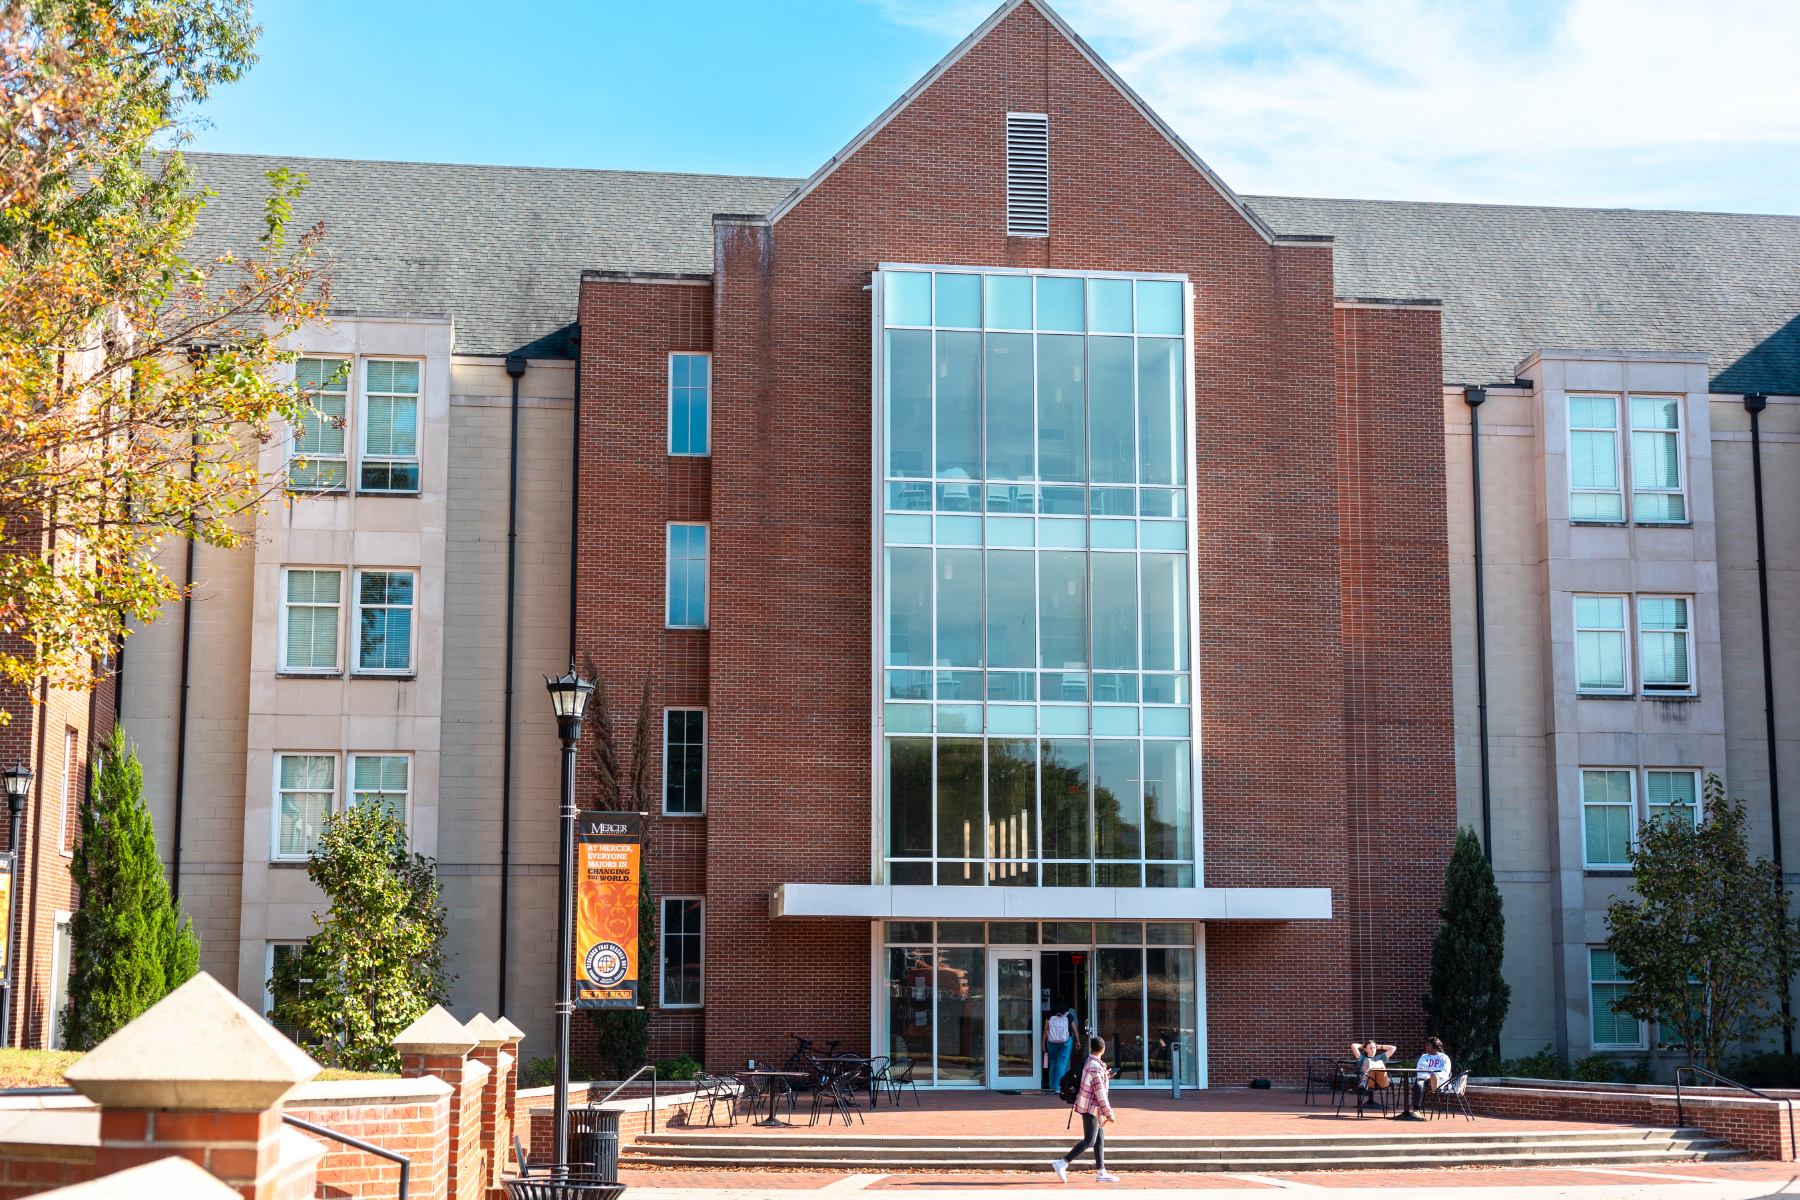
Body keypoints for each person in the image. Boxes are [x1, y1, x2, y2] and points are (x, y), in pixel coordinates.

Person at [1052, 1036, 1119, 1183]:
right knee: (1090, 1140)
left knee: (1099, 1138)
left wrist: (1105, 1075)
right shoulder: (1095, 1066)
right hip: (1091, 1107)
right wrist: (1109, 1113)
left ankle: (1101, 1171)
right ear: (1103, 1049)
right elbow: (1099, 1092)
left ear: (1090, 1048)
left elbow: (1094, 1081)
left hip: (1091, 1107)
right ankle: (1062, 1163)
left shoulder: (1090, 1062)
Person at [1349, 1039, 1396, 1116]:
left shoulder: (1381, 1057)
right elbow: (1353, 1046)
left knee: (1380, 1062)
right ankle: (1369, 1068)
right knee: (1372, 1061)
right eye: (1370, 1048)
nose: (1373, 1050)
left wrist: (1379, 1047)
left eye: (1374, 1048)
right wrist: (1363, 1046)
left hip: (1381, 1082)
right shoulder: (1362, 1058)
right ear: (1365, 1049)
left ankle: (1370, 1066)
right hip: (1369, 1083)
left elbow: (1393, 1048)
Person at [1044, 1005, 1078, 1095]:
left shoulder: (1049, 1016)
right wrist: (1077, 1041)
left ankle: (1052, 1086)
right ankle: (1058, 1087)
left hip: (1051, 1042)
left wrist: (1043, 1044)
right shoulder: (1068, 1016)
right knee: (1061, 1065)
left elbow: (1045, 1031)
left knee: (1053, 1063)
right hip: (1065, 1042)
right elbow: (1075, 1030)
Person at [1413, 1037, 1451, 1109]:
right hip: (1425, 1080)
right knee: (1419, 1084)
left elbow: (1444, 1072)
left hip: (1439, 1080)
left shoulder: (1444, 1058)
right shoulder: (1424, 1057)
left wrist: (1433, 1078)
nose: (1426, 1047)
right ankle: (1417, 1110)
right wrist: (1428, 1078)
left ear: (1434, 1046)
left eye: (1428, 1045)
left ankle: (1434, 1084)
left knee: (1436, 1081)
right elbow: (1421, 1070)